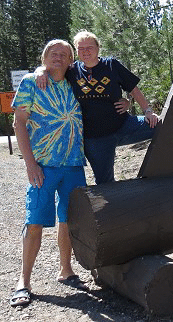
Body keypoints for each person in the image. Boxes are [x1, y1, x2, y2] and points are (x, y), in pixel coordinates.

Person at [10, 39, 87, 307]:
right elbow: (19, 123)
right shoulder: (32, 82)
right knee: (35, 220)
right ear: (44, 58)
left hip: (74, 163)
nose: (59, 57)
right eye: (53, 54)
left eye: (64, 54)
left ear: (70, 61)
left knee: (68, 218)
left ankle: (66, 271)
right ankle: (24, 281)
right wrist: (30, 164)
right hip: (43, 165)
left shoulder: (76, 83)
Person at [37, 30, 159, 184]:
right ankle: (115, 207)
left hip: (125, 125)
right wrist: (40, 71)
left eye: (90, 47)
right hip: (95, 139)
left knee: (164, 126)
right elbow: (51, 70)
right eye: (81, 48)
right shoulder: (72, 71)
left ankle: (166, 176)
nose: (85, 51)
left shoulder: (111, 65)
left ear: (98, 48)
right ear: (76, 51)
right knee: (105, 183)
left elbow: (133, 89)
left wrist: (147, 111)